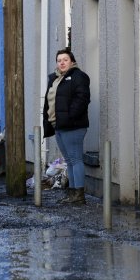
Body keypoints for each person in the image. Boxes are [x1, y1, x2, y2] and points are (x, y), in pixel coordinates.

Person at [43, 48, 91, 205]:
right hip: (59, 126)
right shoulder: (55, 79)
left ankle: (79, 195)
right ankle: (72, 193)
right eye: (59, 60)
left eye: (65, 60)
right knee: (69, 161)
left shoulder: (79, 77)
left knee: (76, 159)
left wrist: (70, 117)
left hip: (73, 126)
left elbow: (82, 99)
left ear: (72, 61)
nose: (62, 63)